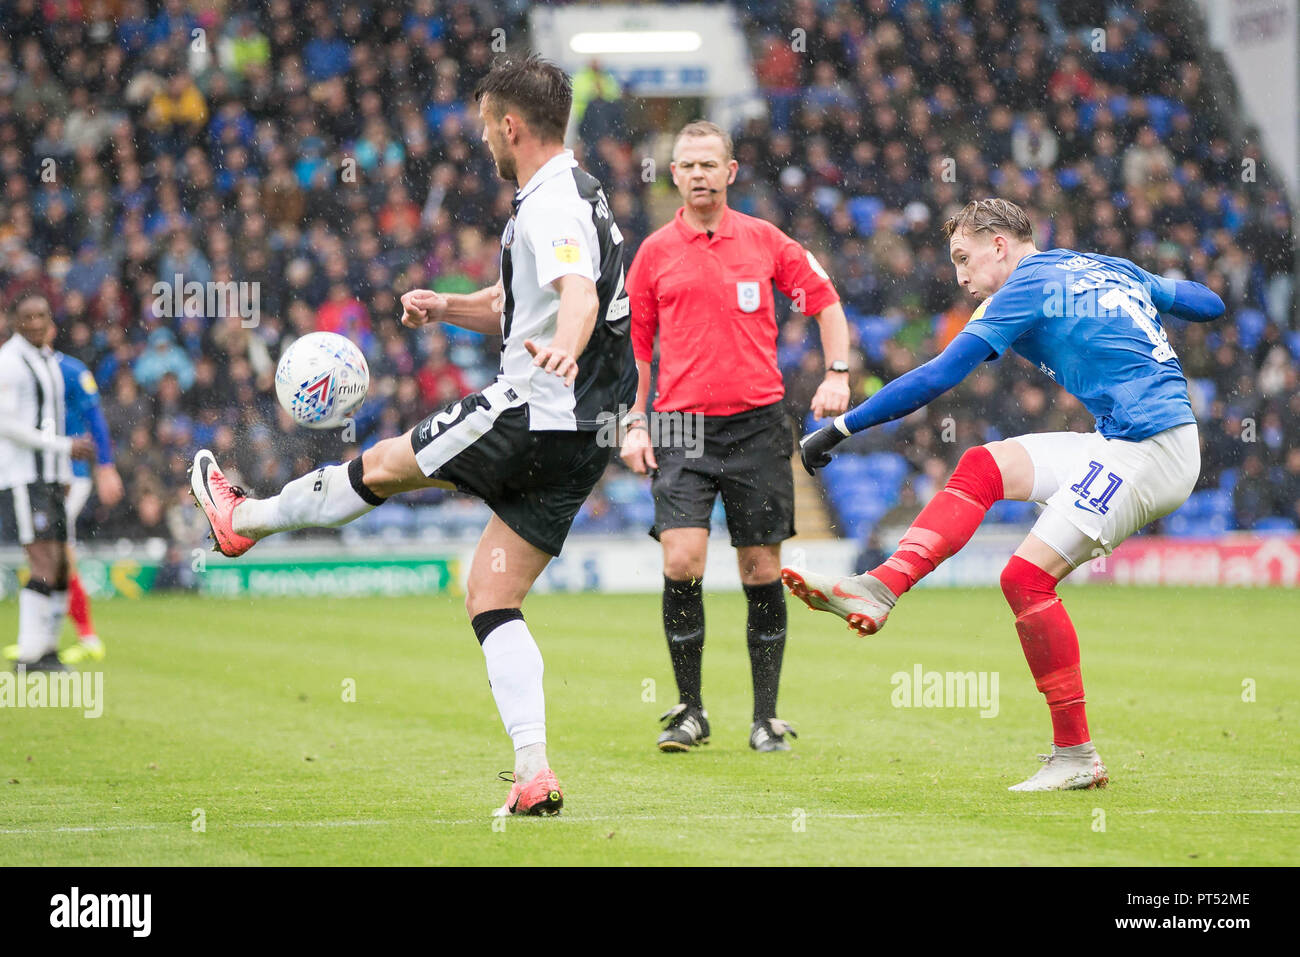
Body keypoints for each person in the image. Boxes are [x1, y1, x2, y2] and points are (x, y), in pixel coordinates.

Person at [190, 56, 635, 816]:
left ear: (511, 125)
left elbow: (576, 296)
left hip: (534, 408)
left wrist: (563, 345)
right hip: (586, 432)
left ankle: (244, 521)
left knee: (383, 465)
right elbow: (521, 302)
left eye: (484, 124)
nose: (481, 138)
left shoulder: (551, 204)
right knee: (492, 593)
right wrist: (448, 307)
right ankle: (534, 773)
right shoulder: (579, 193)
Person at [784, 198, 1224, 791]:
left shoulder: (1024, 287)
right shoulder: (1101, 267)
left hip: (1152, 450)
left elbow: (938, 376)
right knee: (983, 466)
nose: (961, 276)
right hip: (1128, 436)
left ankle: (1076, 756)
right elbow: (1210, 304)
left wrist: (839, 428)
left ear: (1000, 244)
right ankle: (881, 586)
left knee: (1024, 578)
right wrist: (1150, 290)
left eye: (965, 258)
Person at [620, 120, 851, 753]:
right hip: (680, 425)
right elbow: (636, 351)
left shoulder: (765, 241)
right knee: (682, 559)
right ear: (674, 176)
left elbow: (826, 301)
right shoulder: (653, 254)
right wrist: (633, 421)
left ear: (730, 171)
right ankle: (691, 712)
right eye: (687, 165)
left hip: (757, 424)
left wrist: (837, 374)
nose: (698, 174)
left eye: (708, 164)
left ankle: (764, 718)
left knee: (760, 568)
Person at [0, 294, 96, 672]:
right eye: (29, 316)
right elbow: (6, 424)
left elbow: (50, 419)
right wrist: (61, 447)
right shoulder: (9, 362)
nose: (36, 322)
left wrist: (60, 470)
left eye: (42, 315)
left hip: (50, 475)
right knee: (41, 558)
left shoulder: (47, 361)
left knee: (59, 565)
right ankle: (28, 654)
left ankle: (47, 650)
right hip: (24, 476)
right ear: (15, 322)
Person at [55, 335, 125, 663]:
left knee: (55, 549)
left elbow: (95, 418)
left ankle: (83, 635)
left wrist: (106, 466)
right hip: (33, 473)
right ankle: (59, 637)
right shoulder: (12, 367)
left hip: (69, 472)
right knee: (49, 552)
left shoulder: (69, 369)